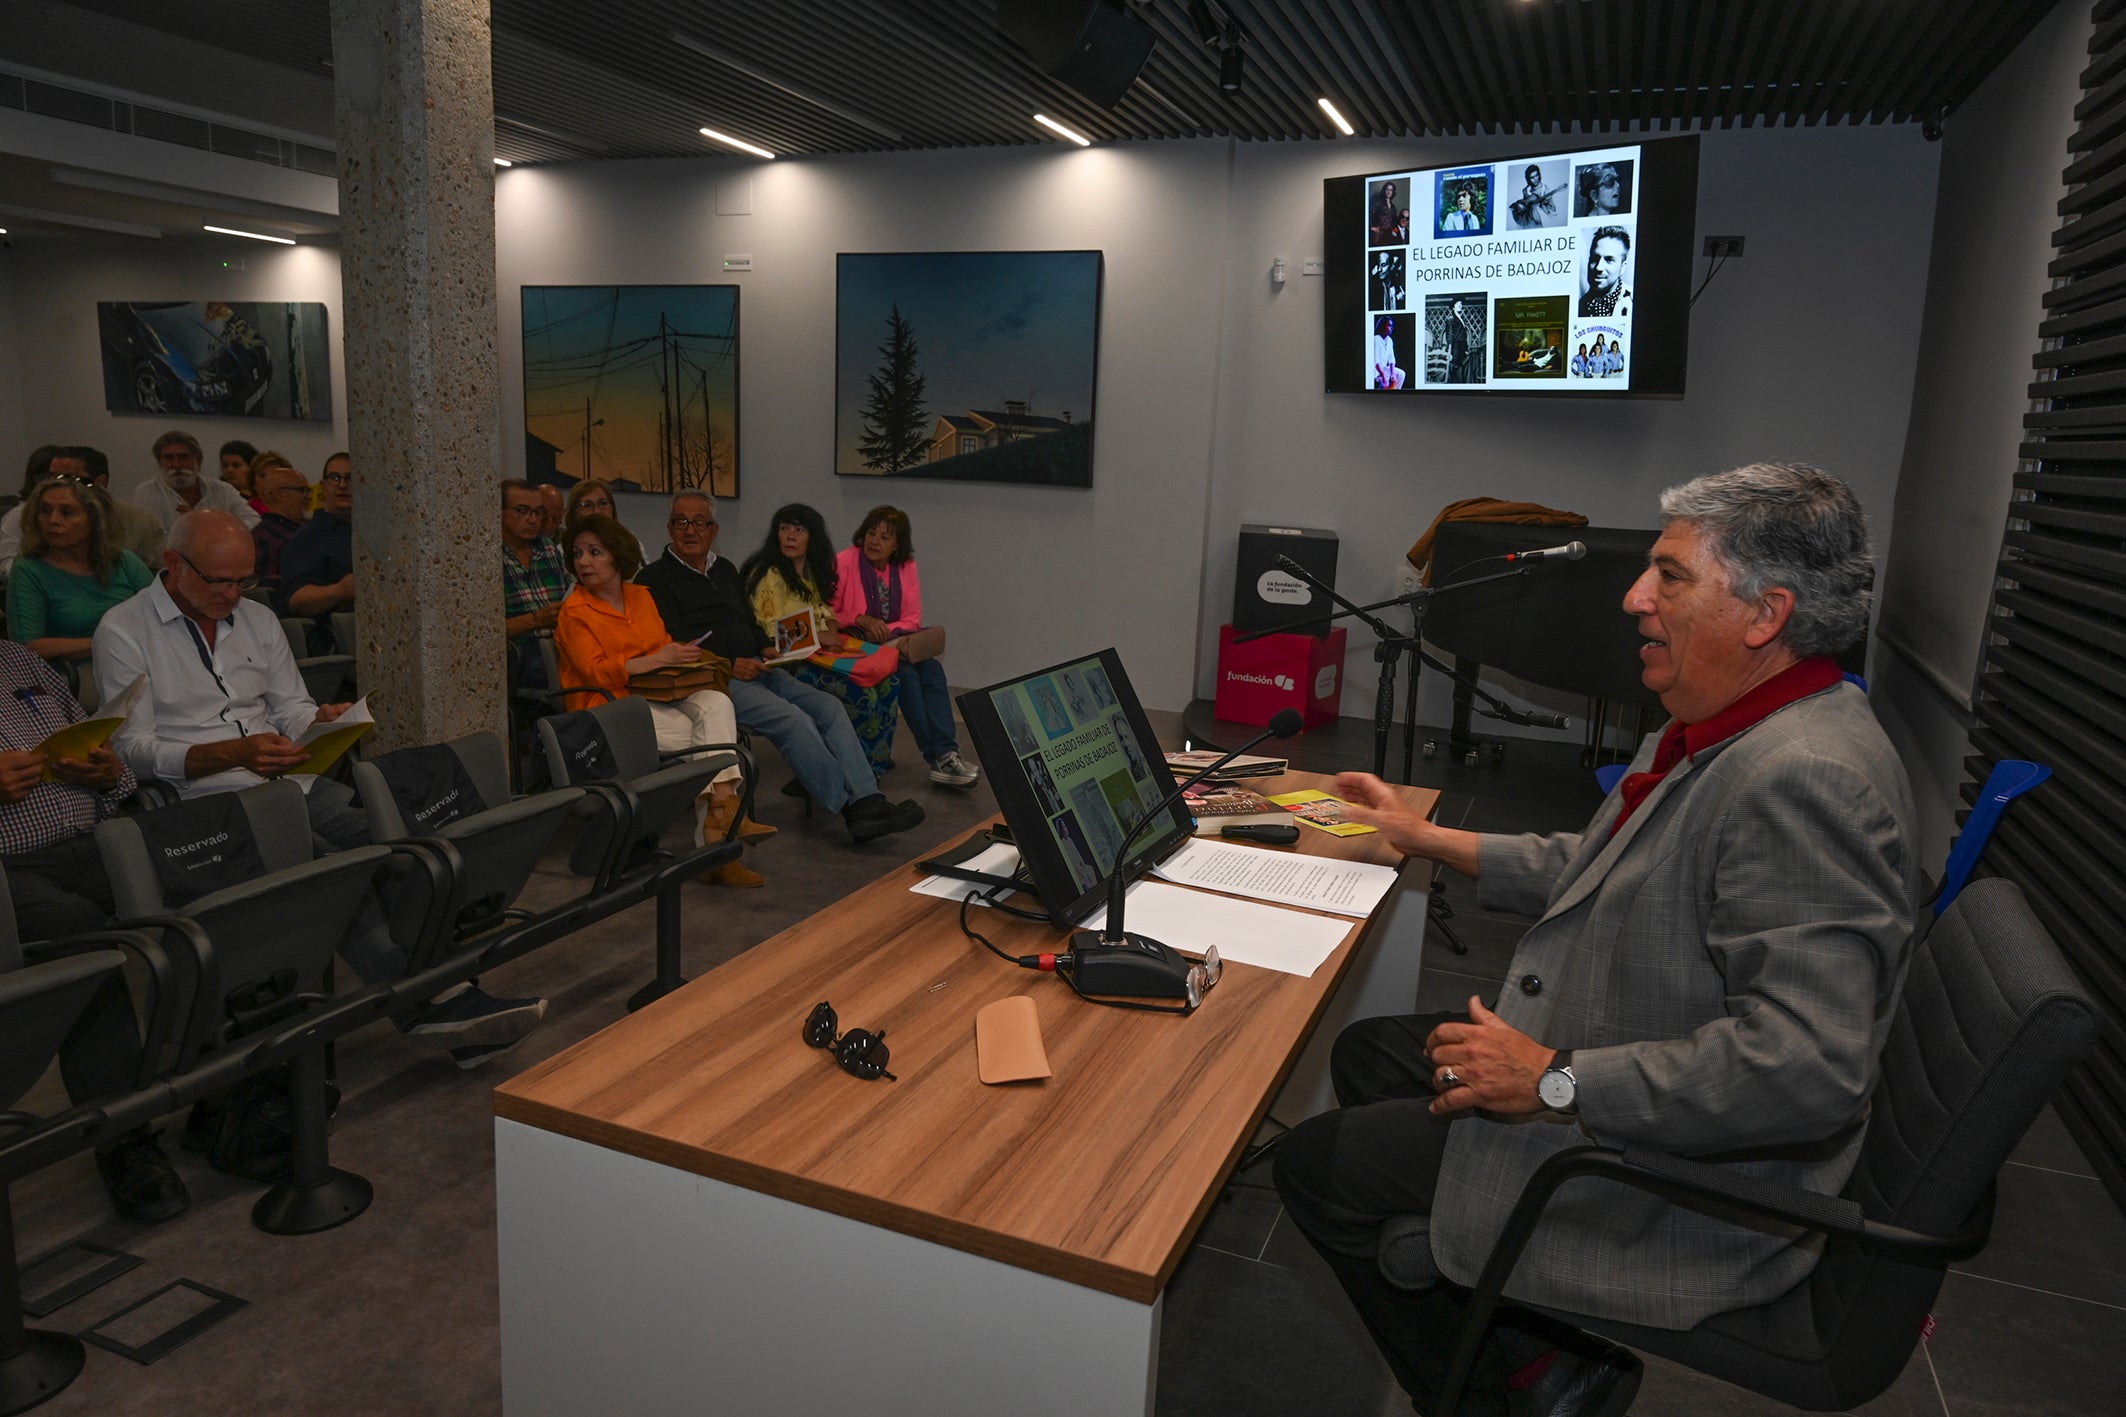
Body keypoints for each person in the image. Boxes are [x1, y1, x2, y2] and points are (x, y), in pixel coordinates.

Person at [1273, 463, 1917, 1417]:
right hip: (1635, 1063)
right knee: (1374, 1052)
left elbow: (1808, 1068)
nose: (1634, 597)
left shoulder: (1805, 778)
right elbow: (1611, 858)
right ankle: (1539, 1344)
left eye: (1670, 576)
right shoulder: (1731, 723)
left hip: (1696, 1191)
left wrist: (1553, 1079)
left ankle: (1509, 1392)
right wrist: (1426, 838)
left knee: (1317, 1167)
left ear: (1764, 613)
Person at [92, 511, 546, 1066]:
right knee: (330, 868)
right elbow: (130, 750)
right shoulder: (123, 629)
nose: (233, 594)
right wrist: (228, 755)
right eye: (218, 581)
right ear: (172, 564)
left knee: (403, 837)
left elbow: (289, 708)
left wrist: (320, 720)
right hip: (207, 804)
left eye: (245, 581)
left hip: (287, 780)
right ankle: (435, 1003)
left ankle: (441, 988)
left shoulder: (257, 619)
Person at [0, 639, 190, 1222]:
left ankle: (239, 1085)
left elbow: (109, 755)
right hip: (11, 871)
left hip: (98, 840)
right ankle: (124, 1139)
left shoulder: (20, 660)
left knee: (206, 882)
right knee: (84, 937)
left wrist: (108, 772)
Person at [637, 492, 925, 842]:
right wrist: (730, 665)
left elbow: (748, 619)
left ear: (714, 529)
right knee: (794, 720)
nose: (690, 530)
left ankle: (869, 797)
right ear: (669, 528)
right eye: (681, 522)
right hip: (715, 679)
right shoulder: (653, 578)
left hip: (761, 666)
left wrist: (764, 647)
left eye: (699, 522)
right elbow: (675, 641)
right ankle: (852, 809)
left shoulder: (724, 569)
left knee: (829, 707)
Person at [553, 515, 766, 887]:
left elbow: (659, 643)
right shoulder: (574, 612)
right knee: (714, 744)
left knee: (718, 703)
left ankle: (720, 822)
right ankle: (721, 836)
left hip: (658, 693)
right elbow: (595, 672)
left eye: (594, 552)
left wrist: (675, 653)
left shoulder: (641, 596)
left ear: (617, 557)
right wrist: (658, 659)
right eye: (578, 554)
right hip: (609, 711)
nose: (583, 562)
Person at [741, 503, 903, 778]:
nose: (790, 536)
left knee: (889, 684)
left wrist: (829, 628)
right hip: (789, 665)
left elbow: (826, 611)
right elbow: (772, 634)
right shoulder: (770, 574)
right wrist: (821, 636)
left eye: (799, 530)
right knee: (862, 694)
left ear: (811, 536)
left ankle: (870, 765)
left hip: (820, 655)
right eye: (784, 529)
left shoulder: (809, 571)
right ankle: (850, 774)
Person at [833, 505, 979, 789]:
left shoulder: (906, 566)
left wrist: (887, 632)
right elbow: (826, 614)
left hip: (895, 642)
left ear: (898, 544)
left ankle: (948, 752)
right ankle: (937, 758)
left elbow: (913, 617)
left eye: (885, 537)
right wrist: (860, 619)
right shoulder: (844, 562)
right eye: (871, 533)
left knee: (933, 672)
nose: (875, 541)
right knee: (907, 678)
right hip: (855, 645)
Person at [6, 477, 154, 666]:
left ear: (94, 520)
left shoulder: (124, 561)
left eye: (66, 513)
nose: (53, 520)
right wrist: (105, 641)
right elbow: (28, 647)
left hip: (138, 660)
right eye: (44, 511)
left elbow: (161, 619)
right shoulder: (29, 569)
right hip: (76, 672)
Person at [278, 450, 354, 652]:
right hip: (338, 640)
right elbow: (296, 600)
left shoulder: (379, 533)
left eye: (351, 477)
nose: (342, 484)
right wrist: (341, 590)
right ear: (323, 486)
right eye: (334, 477)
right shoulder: (309, 537)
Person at [501, 479, 569, 687]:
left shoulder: (548, 549)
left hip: (562, 643)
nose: (532, 520)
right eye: (522, 511)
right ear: (499, 511)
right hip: (520, 652)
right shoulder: (485, 558)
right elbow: (481, 632)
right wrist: (536, 620)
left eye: (538, 512)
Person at [129, 429, 259, 534]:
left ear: (199, 460)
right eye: (168, 458)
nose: (176, 465)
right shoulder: (148, 493)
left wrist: (210, 522)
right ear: (160, 463)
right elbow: (154, 540)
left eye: (183, 457)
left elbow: (254, 521)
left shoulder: (222, 490)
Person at [250, 459, 311, 595]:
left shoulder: (311, 527)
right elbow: (271, 589)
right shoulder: (265, 537)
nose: (309, 497)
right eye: (302, 490)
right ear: (279, 494)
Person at [1578, 226, 1633, 319]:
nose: (1599, 267)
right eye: (1594, 259)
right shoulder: (1578, 306)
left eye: (1609, 260)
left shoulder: (1634, 301)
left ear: (1622, 267)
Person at [1371, 316, 1406, 390]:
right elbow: (1375, 361)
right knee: (1385, 380)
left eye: (1391, 326)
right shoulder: (1376, 339)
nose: (1391, 328)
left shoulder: (1389, 340)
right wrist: (1383, 375)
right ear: (1383, 326)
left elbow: (1391, 359)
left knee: (1401, 374)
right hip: (1374, 370)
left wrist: (1392, 374)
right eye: (1389, 325)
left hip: (1383, 368)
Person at [1369, 179, 1399, 246]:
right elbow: (1369, 216)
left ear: (1393, 192)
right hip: (1379, 235)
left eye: (1391, 190)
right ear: (1384, 190)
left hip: (1390, 235)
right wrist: (1371, 227)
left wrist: (1395, 231)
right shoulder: (1378, 204)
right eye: (1387, 189)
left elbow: (1395, 222)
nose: (1389, 192)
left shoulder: (1393, 207)